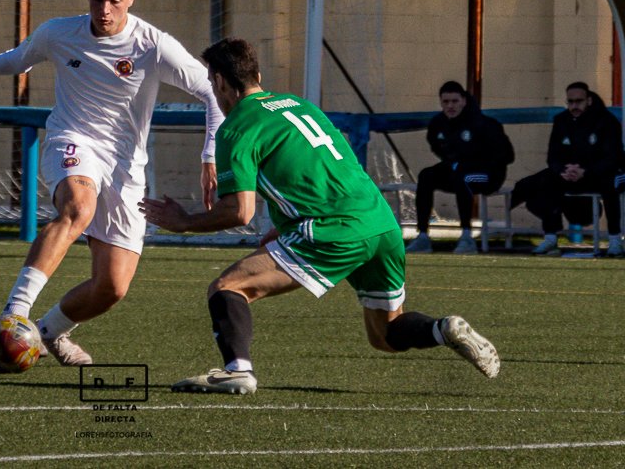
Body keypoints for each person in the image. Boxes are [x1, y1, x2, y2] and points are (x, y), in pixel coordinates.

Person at [140, 37, 499, 395]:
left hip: (332, 229)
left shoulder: (235, 128)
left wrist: (184, 221)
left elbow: (240, 211)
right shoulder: (298, 104)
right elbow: (310, 174)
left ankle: (238, 370)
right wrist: (282, 229)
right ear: (258, 74)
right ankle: (444, 328)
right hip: (380, 222)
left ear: (218, 81)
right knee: (386, 335)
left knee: (228, 288)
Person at [0, 0, 223, 365]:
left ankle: (46, 334)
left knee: (112, 287)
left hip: (125, 168)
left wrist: (210, 155)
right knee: (78, 207)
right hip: (72, 140)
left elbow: (211, 91)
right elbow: (19, 57)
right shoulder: (59, 33)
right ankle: (15, 313)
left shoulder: (154, 45)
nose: (104, 9)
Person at [511, 82, 624, 257]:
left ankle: (615, 240)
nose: (574, 106)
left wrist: (585, 171)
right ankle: (550, 237)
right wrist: (562, 170)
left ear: (589, 100)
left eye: (578, 101)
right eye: (570, 102)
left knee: (611, 184)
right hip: (569, 174)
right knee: (543, 182)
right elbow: (552, 156)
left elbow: (612, 158)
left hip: (597, 173)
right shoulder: (561, 120)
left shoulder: (606, 121)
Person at [406, 81, 514, 255]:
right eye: (446, 102)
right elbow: (439, 148)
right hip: (457, 172)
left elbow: (508, 156)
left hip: (488, 176)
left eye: (455, 101)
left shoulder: (482, 124)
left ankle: (466, 236)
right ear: (441, 102)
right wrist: (454, 162)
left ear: (463, 101)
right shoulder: (437, 124)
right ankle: (423, 237)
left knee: (463, 177)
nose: (450, 106)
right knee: (427, 175)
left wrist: (476, 162)